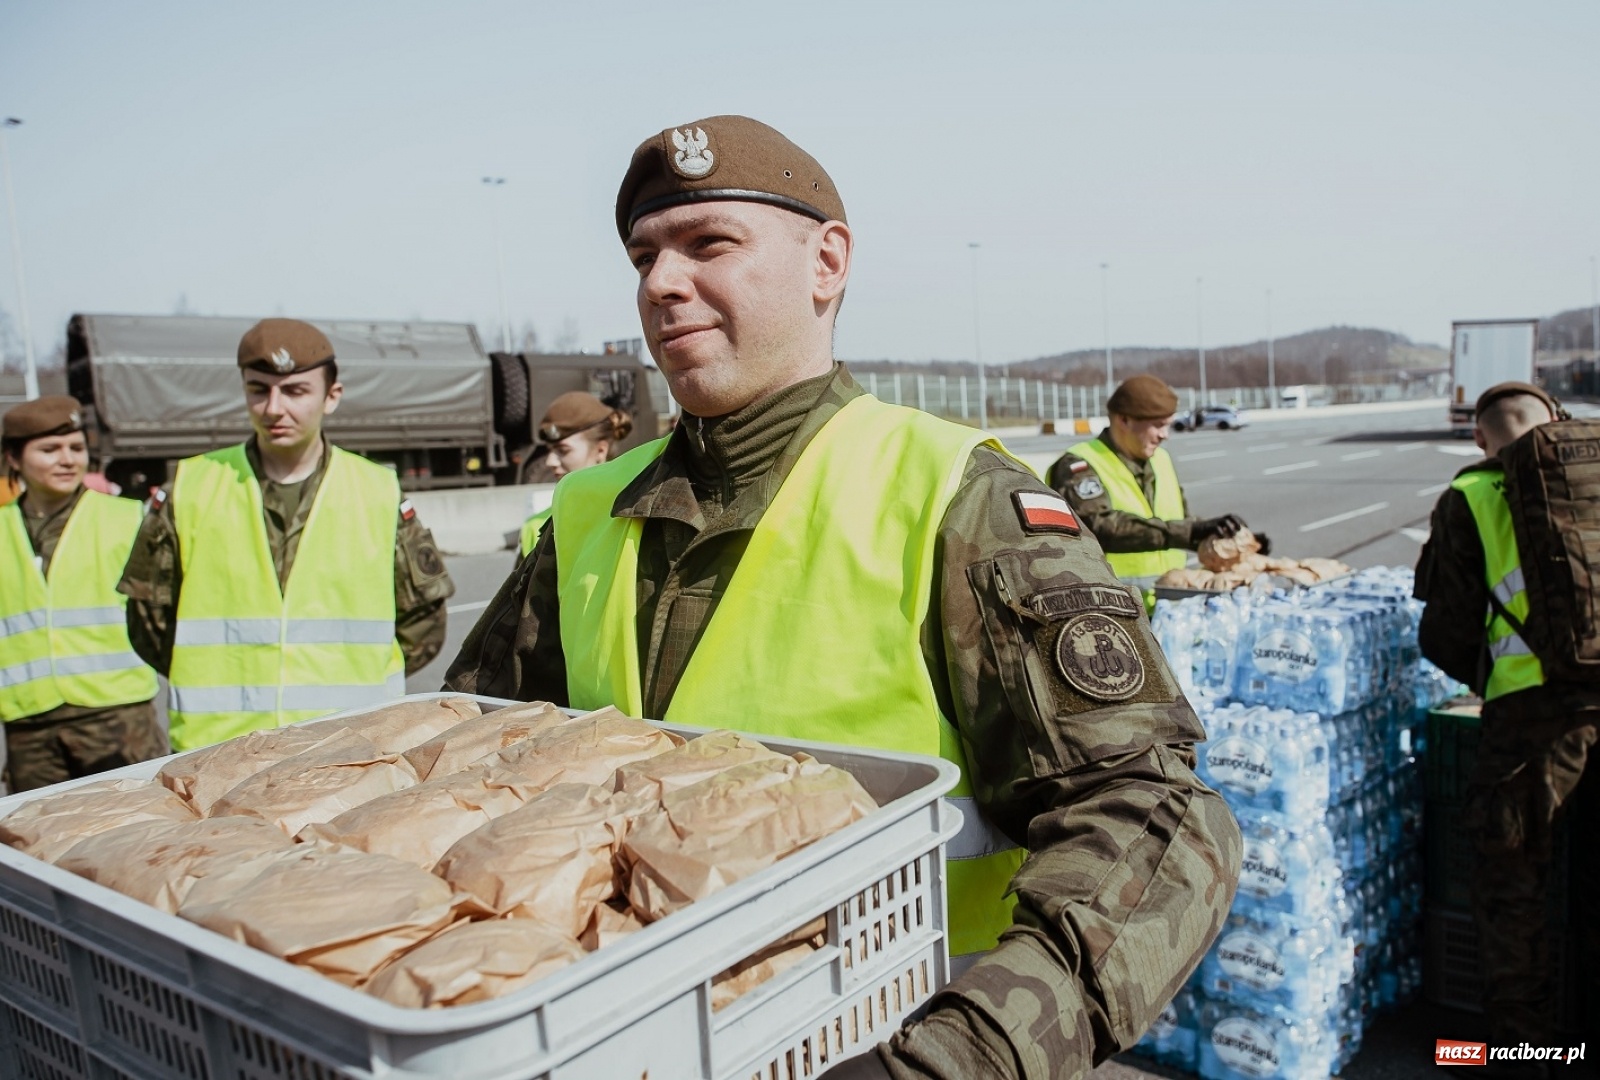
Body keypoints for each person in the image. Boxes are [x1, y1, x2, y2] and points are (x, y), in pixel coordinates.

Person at [446, 115, 1240, 1079]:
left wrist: (956, 1057)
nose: (660, 284)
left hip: (880, 1038)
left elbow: (1155, 822)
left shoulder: (954, 494)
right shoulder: (583, 512)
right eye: (644, 256)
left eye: (709, 244)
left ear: (827, 263)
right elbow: (463, 775)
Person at [118, 318, 455, 752]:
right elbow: (149, 620)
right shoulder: (190, 487)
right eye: (259, 390)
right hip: (219, 750)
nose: (274, 408)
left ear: (331, 397)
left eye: (295, 391)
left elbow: (423, 622)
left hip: (350, 746)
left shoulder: (376, 491)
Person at [1413, 381, 1597, 1049]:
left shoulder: (1472, 496)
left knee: (1512, 895)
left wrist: (1492, 675)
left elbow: (1445, 632)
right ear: (1557, 422)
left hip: (1531, 722)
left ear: (1480, 438)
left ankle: (1529, 1054)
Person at [1, 396, 162, 792]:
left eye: (76, 448)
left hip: (118, 715)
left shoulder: (127, 516)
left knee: (139, 834)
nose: (67, 460)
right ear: (14, 458)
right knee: (39, 844)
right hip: (29, 723)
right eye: (49, 450)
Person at [1045, 375, 1267, 578]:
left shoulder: (1160, 459)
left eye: (1168, 425)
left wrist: (1229, 539)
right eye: (1158, 425)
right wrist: (1190, 531)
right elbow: (1098, 526)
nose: (1165, 435)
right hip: (1112, 608)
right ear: (1124, 420)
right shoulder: (1080, 464)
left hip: (1168, 600)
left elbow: (1178, 523)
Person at [518, 392, 632, 556]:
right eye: (550, 451)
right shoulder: (534, 527)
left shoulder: (634, 514)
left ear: (601, 450)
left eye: (563, 451)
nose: (550, 461)